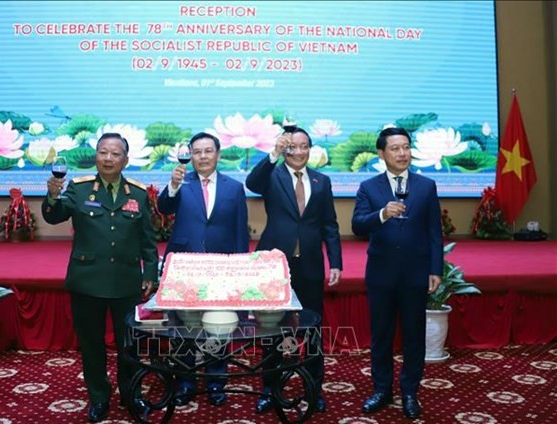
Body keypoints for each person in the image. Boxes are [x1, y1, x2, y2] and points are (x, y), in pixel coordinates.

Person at [42, 133, 158, 423]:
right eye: (103, 152)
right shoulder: (79, 189)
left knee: (128, 344)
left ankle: (131, 394)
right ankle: (98, 397)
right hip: (88, 281)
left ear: (125, 160)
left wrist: (150, 273)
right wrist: (53, 196)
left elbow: (148, 239)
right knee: (92, 344)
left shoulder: (138, 194)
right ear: (96, 156)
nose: (108, 158)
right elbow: (54, 216)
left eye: (115, 154)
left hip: (126, 281)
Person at [245, 126, 342, 414]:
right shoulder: (272, 176)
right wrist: (273, 153)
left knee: (312, 329)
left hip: (310, 264)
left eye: (303, 147)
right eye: (292, 147)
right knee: (272, 328)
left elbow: (330, 225)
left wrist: (335, 261)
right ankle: (268, 389)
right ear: (285, 150)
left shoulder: (321, 181)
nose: (298, 152)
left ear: (310, 149)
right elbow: (252, 182)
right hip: (276, 265)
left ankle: (313, 387)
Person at [351, 127, 443, 420]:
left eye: (406, 147)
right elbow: (357, 225)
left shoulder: (426, 186)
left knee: (414, 335)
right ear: (381, 154)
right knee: (381, 335)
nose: (402, 153)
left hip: (416, 273)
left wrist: (435, 269)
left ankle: (410, 392)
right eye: (395, 148)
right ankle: (381, 390)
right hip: (381, 273)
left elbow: (434, 233)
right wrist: (382, 214)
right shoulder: (369, 187)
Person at [157, 132, 249, 407]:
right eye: (197, 152)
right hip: (185, 263)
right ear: (191, 156)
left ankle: (216, 381)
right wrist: (172, 186)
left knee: (218, 324)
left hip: (221, 266)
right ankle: (185, 381)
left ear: (218, 155)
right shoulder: (181, 183)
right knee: (184, 324)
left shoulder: (234, 187)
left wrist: (239, 266)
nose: (203, 157)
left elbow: (240, 230)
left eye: (208, 151)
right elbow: (164, 207)